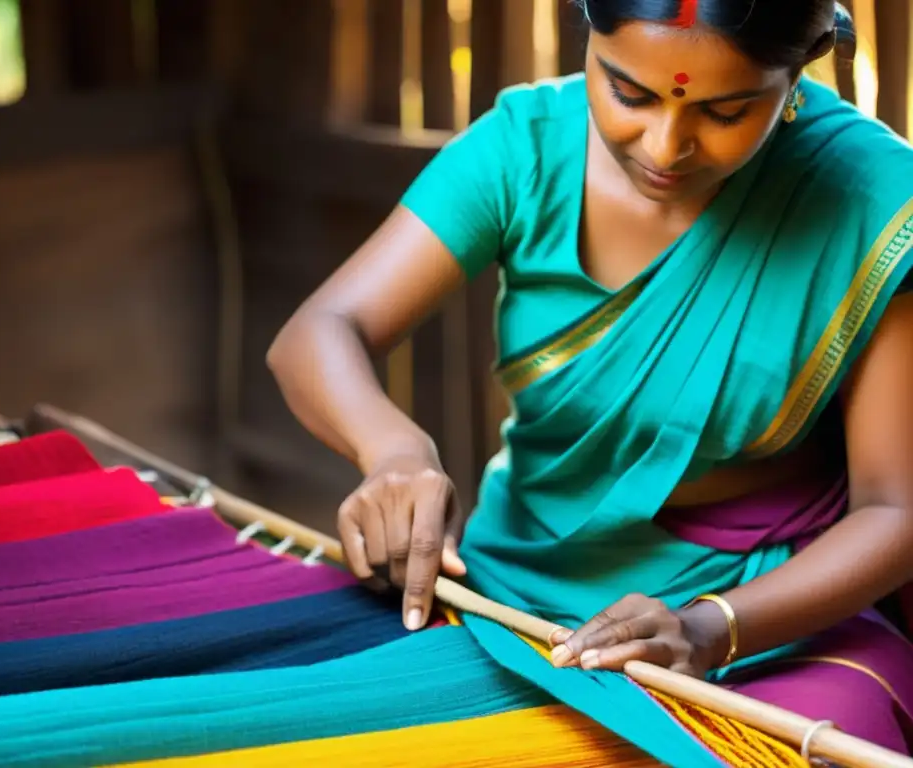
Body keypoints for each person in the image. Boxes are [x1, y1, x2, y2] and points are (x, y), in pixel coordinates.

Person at [268, 0, 913, 753]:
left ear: (798, 71)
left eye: (728, 109)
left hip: (772, 613)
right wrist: (395, 453)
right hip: (514, 590)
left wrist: (711, 627)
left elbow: (894, 511)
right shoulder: (526, 153)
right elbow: (318, 332)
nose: (665, 146)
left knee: (827, 741)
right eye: (629, 94)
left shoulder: (872, 202)